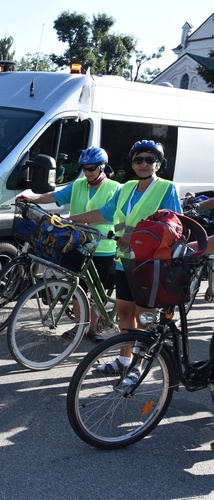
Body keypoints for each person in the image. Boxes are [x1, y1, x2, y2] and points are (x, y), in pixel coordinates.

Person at [70, 140, 181, 376]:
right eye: (138, 160)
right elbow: (107, 214)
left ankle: (140, 364)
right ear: (132, 163)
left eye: (150, 160)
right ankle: (124, 359)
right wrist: (73, 220)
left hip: (149, 263)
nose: (143, 164)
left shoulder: (166, 188)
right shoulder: (127, 187)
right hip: (124, 260)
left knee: (144, 317)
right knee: (124, 312)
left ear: (158, 164)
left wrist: (133, 236)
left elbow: (172, 226)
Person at [24, 147, 120, 343]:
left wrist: (70, 219)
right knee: (78, 289)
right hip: (78, 244)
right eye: (84, 168)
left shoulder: (115, 188)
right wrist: (32, 198)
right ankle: (79, 327)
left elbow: (104, 214)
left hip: (102, 247)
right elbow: (55, 196)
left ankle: (94, 329)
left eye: (91, 168)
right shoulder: (78, 185)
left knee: (96, 293)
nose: (87, 172)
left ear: (102, 167)